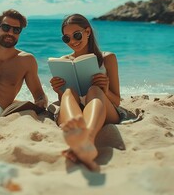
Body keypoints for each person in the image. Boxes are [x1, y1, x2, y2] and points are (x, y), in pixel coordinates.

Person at [49, 14, 121, 170]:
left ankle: (87, 139)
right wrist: (59, 90)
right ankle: (81, 144)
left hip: (105, 110)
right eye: (66, 38)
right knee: (68, 92)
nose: (73, 41)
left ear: (88, 31)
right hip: (75, 111)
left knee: (94, 89)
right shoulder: (64, 60)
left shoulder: (107, 58)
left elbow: (116, 102)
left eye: (76, 35)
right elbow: (64, 101)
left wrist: (105, 90)